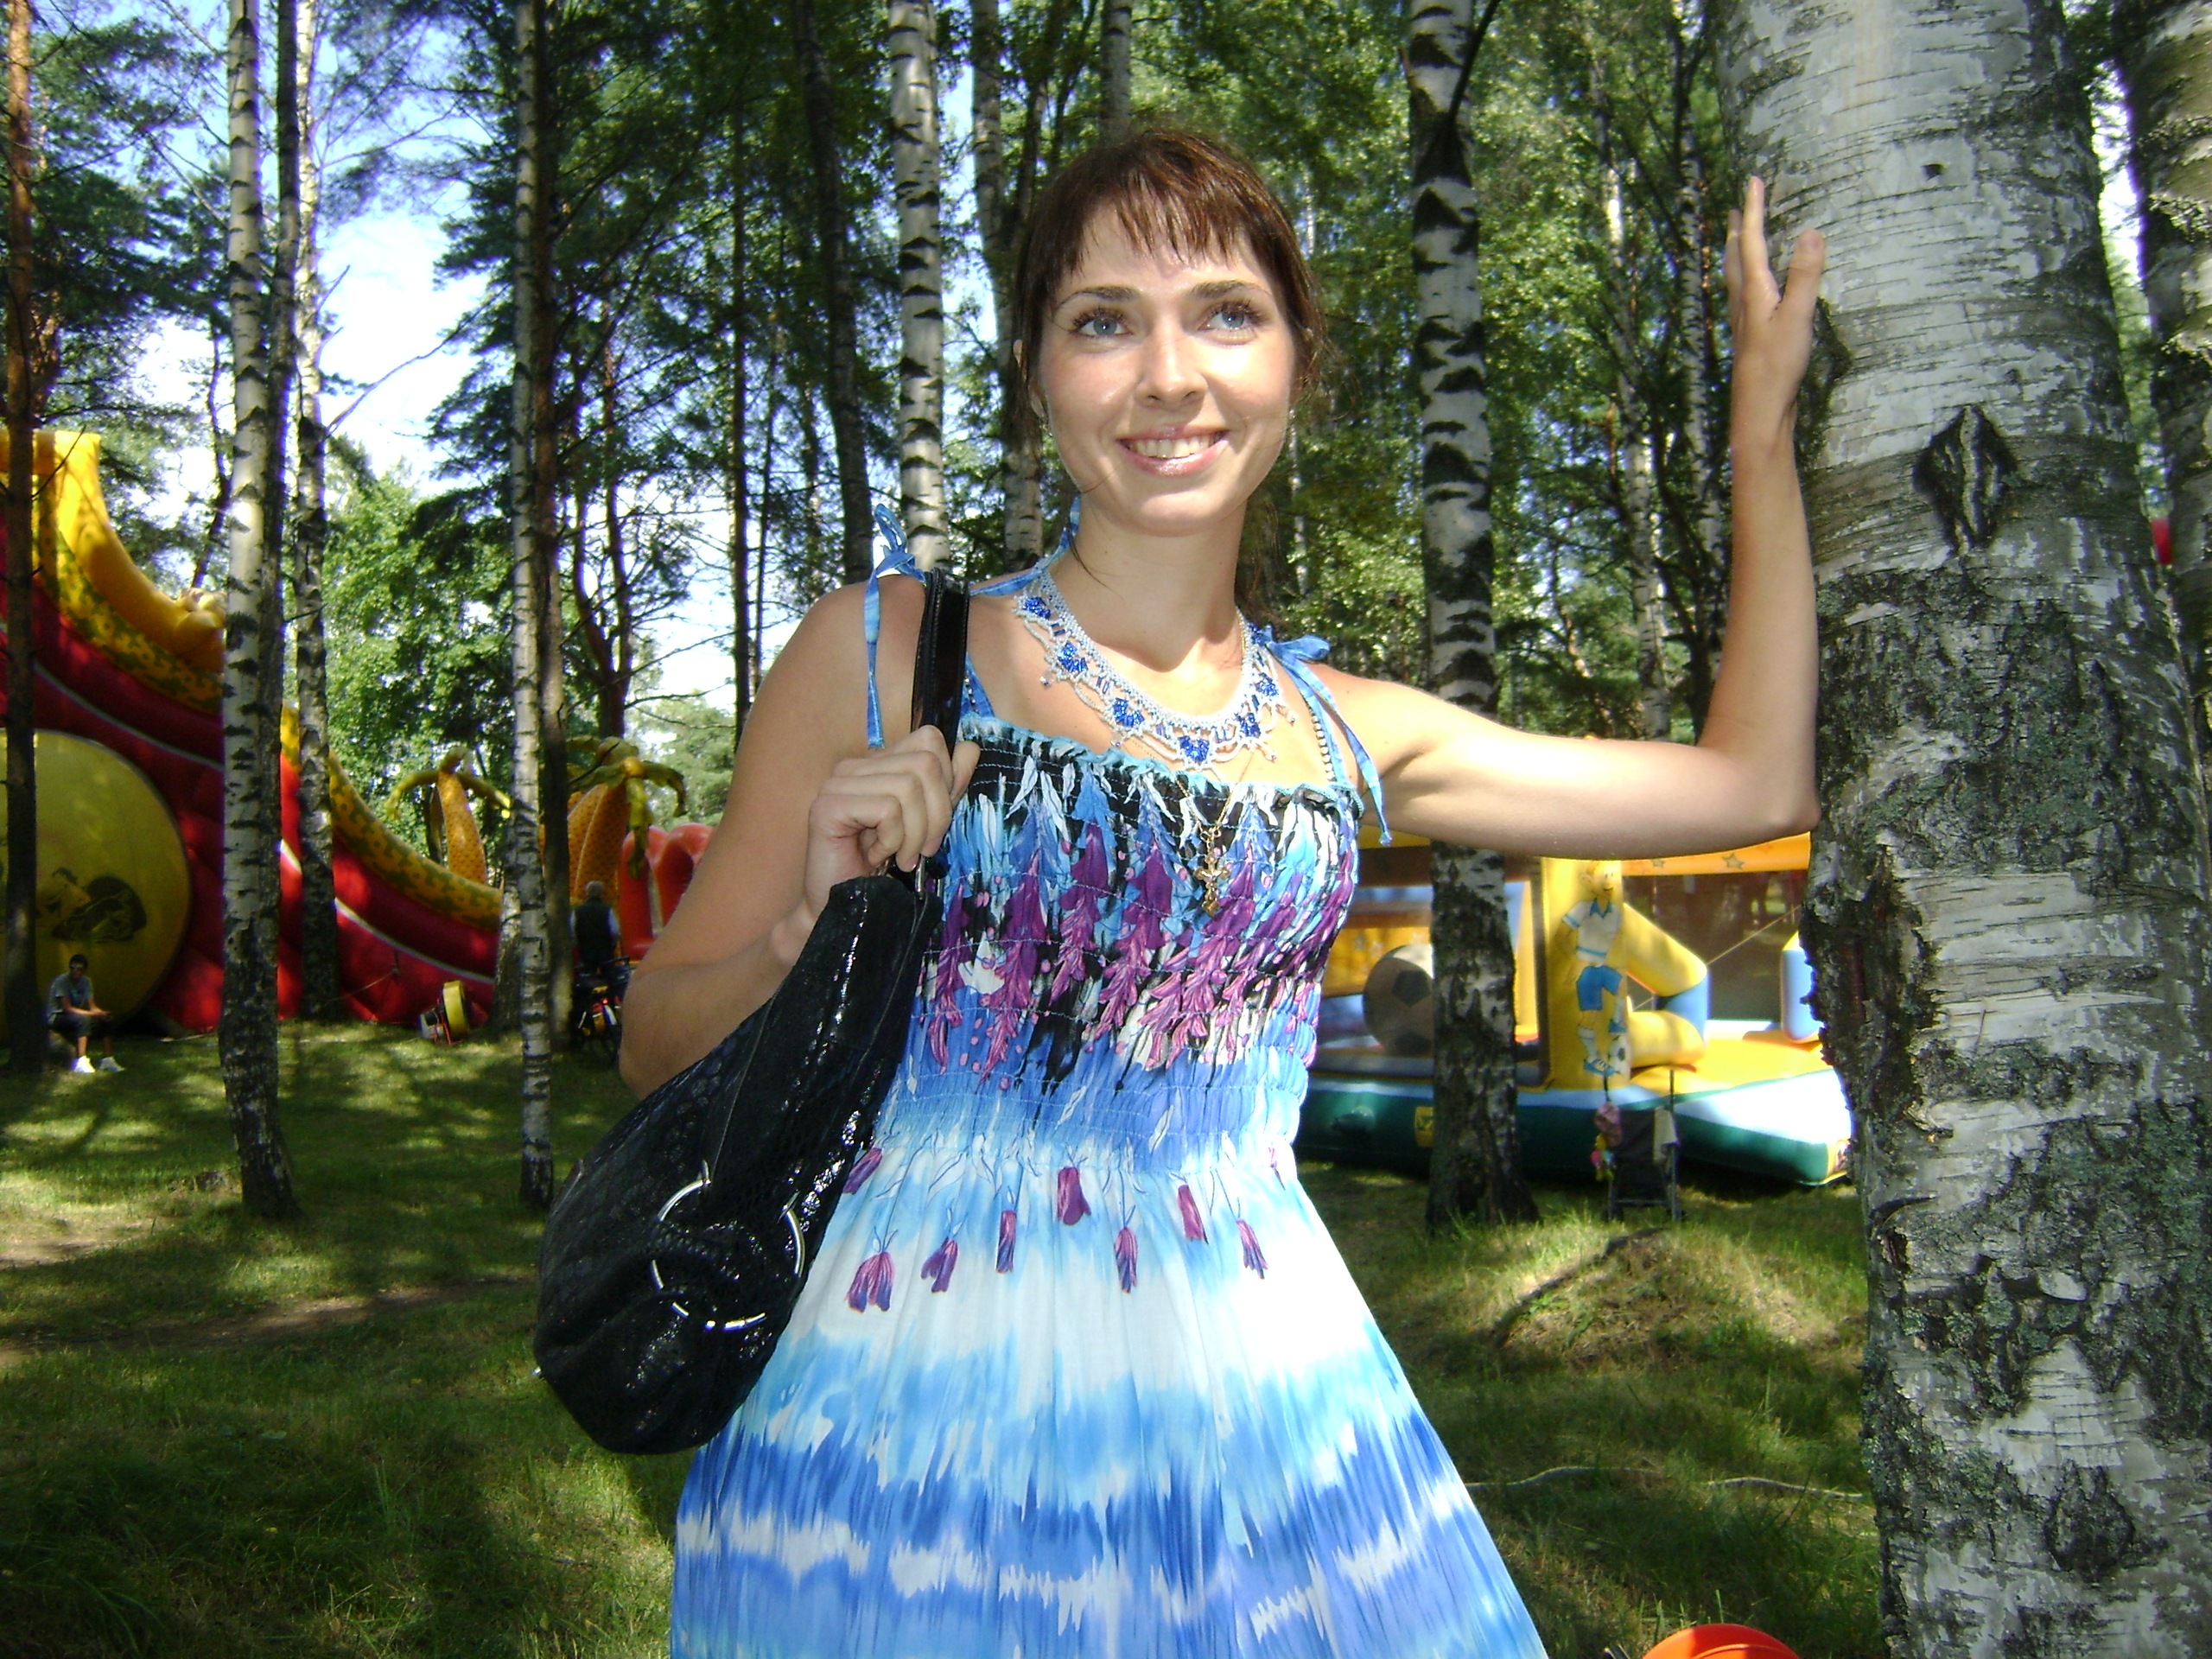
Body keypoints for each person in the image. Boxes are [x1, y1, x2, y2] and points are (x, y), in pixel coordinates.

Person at [622, 128, 1821, 1656]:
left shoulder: (1344, 732)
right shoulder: (887, 652)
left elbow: (1753, 785)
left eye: (1227, 315)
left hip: (1260, 1424)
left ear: (1298, 363)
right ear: (1039, 372)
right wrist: (806, 945)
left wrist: (1760, 434)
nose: (1169, 376)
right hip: (896, 1435)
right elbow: (654, 1041)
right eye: (1104, 321)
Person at [48, 954, 121, 1075]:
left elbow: (92, 1007)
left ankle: (107, 1059)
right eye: (73, 968)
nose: (76, 971)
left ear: (84, 970)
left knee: (105, 1020)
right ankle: (81, 1060)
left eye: (79, 969)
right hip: (58, 1015)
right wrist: (91, 1014)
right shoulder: (62, 981)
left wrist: (101, 1013)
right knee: (83, 1020)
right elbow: (67, 1008)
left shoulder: (86, 982)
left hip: (76, 1014)